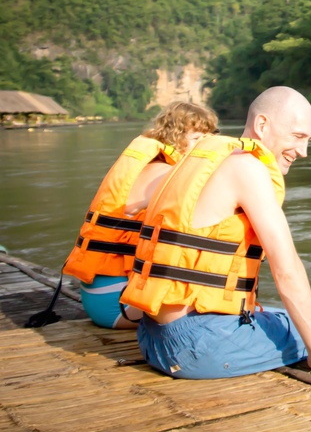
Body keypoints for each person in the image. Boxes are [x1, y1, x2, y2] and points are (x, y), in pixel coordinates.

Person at [121, 86, 311, 378]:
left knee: (280, 322)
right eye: (297, 137)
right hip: (195, 343)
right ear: (262, 125)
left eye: (309, 140)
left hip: (152, 336)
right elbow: (287, 271)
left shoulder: (196, 161)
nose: (303, 151)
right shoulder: (247, 169)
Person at [62, 101, 218, 329]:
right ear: (174, 137)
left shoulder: (154, 166)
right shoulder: (163, 173)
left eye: (206, 140)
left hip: (102, 295)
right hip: (117, 302)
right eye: (195, 140)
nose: (202, 148)